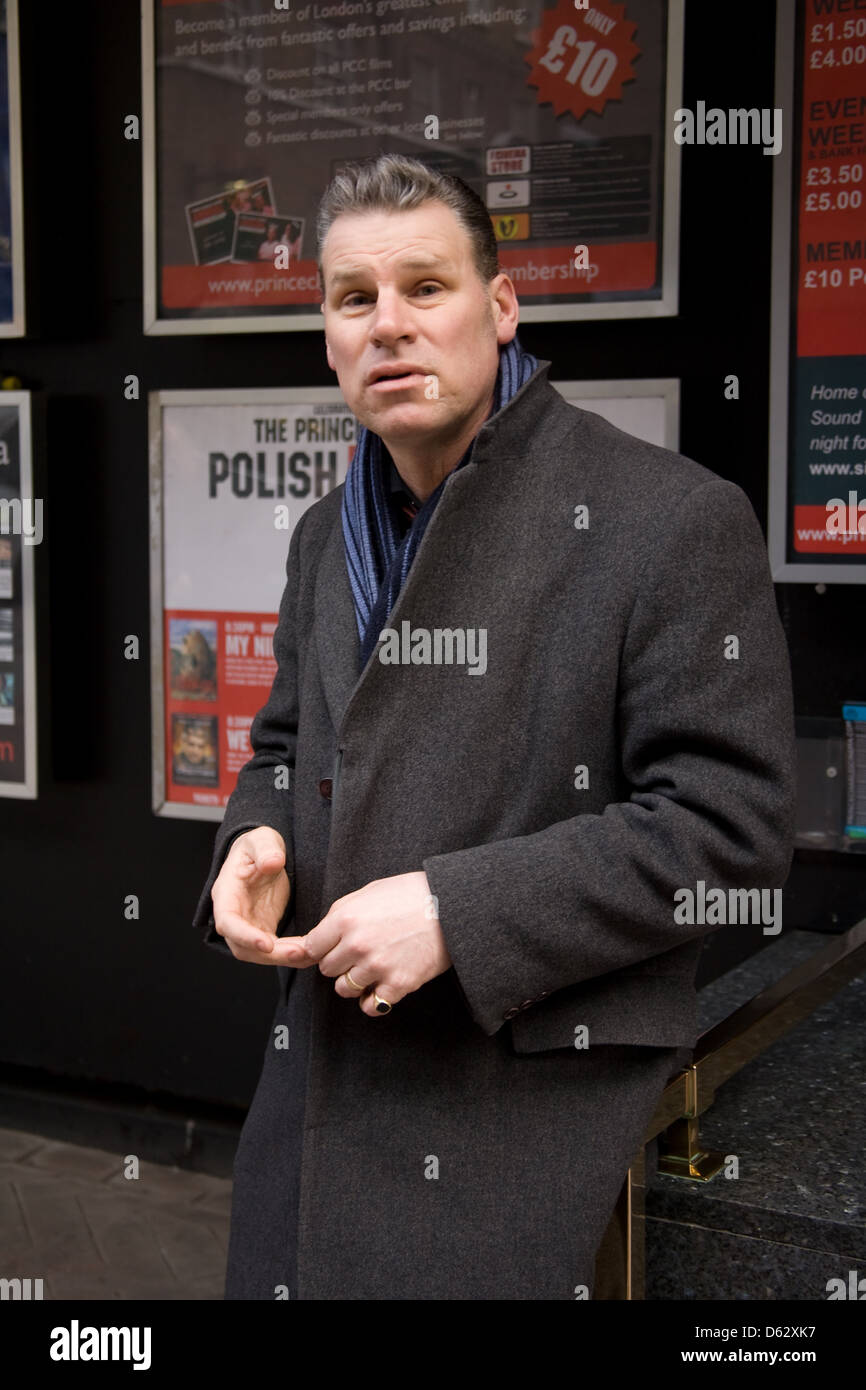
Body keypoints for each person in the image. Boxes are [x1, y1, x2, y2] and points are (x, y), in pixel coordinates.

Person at [192, 153, 797, 1300]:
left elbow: (731, 826)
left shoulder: (667, 520)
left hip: (511, 1122)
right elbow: (280, 750)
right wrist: (250, 843)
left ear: (501, 307)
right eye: (353, 298)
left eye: (426, 288)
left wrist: (455, 911)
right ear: (324, 331)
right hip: (313, 1107)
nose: (389, 326)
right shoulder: (324, 532)